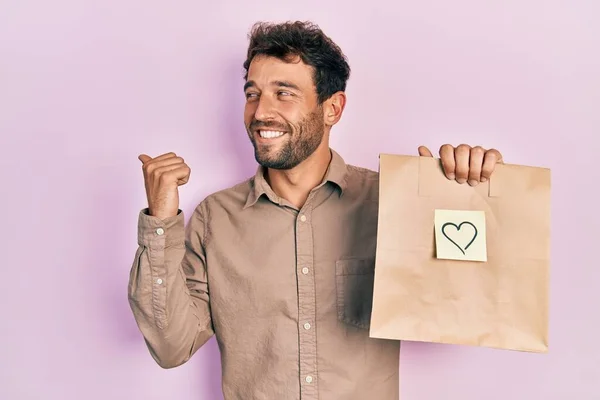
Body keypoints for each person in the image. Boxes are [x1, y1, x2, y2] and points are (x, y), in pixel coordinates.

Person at [128, 20, 503, 400]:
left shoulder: (390, 201)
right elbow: (170, 346)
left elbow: (460, 308)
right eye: (252, 94)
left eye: (284, 93)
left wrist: (464, 194)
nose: (261, 113)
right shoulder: (215, 218)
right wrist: (160, 221)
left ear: (332, 108)